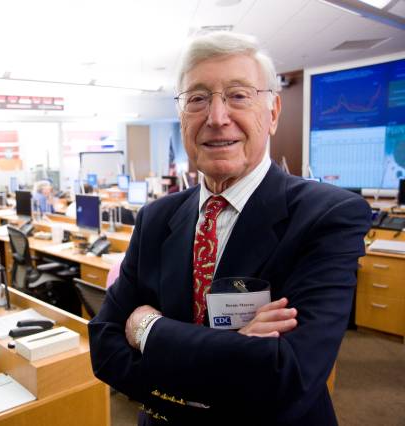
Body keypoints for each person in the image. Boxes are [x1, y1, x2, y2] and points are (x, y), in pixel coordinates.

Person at [88, 31, 371, 425]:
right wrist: (235, 354)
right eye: (198, 98)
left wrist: (148, 329)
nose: (217, 118)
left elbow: (287, 375)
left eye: (238, 95)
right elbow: (104, 346)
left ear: (272, 114)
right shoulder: (155, 219)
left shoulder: (329, 216)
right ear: (182, 115)